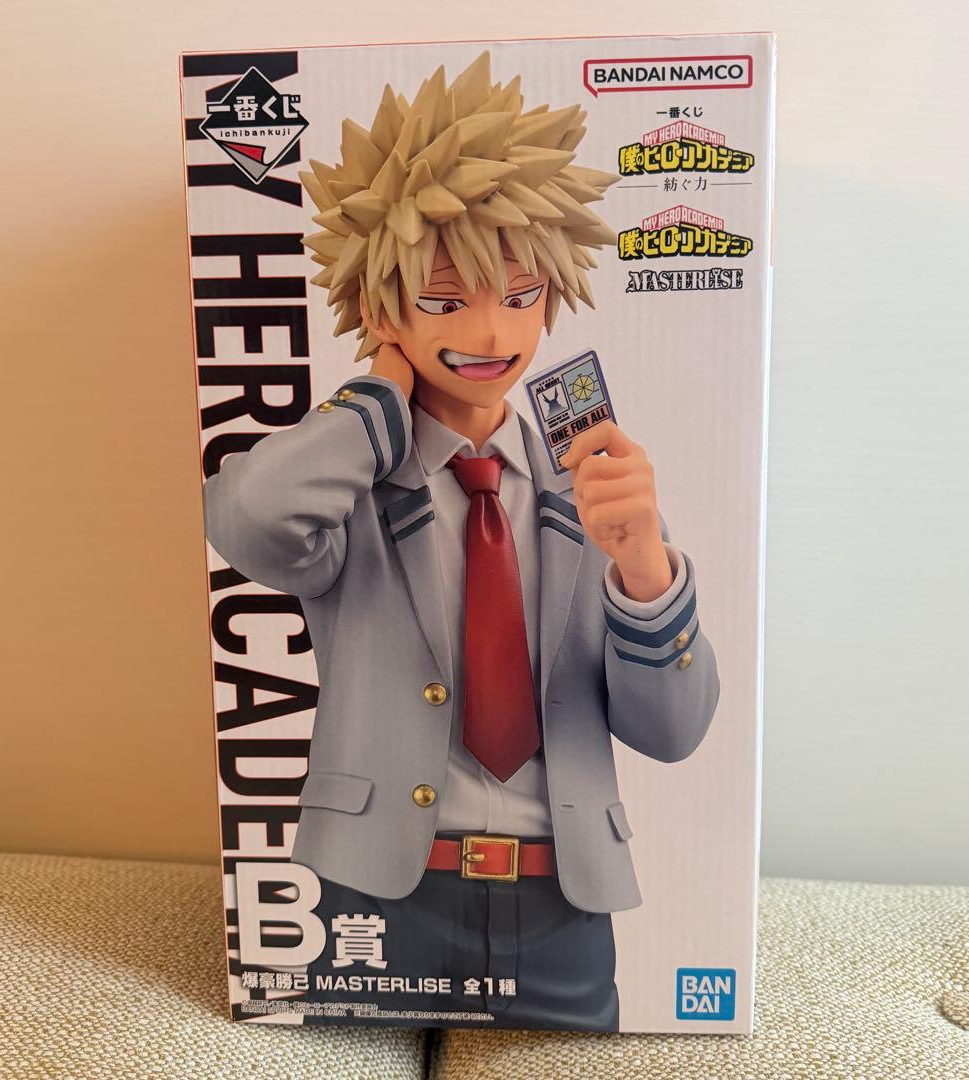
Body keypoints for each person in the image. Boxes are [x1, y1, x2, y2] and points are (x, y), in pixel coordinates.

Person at [203, 50, 720, 1032]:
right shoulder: (347, 488)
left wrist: (645, 569)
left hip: (566, 903)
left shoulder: (590, 486)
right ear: (379, 307)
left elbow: (674, 733)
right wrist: (374, 402)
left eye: (520, 296)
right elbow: (244, 522)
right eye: (444, 301)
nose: (489, 332)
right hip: (379, 896)